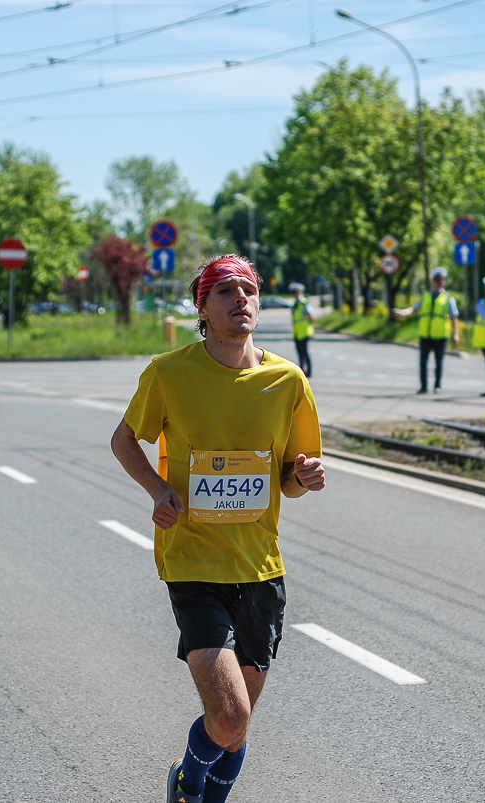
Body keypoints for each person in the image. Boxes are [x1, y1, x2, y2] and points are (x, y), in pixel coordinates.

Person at [110, 254, 325, 803]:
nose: (240, 300)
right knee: (227, 716)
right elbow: (124, 440)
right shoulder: (169, 373)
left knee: (240, 719)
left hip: (259, 568)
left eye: (248, 290)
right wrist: (159, 491)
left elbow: (290, 482)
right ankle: (186, 781)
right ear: (202, 307)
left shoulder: (287, 381)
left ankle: (201, 795)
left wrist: (303, 476)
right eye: (225, 291)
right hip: (193, 562)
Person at [394, 267, 460, 394]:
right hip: (425, 334)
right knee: (423, 362)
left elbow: (454, 317)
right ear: (432, 281)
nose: (439, 282)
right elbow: (414, 310)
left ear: (444, 281)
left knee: (438, 362)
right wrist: (401, 313)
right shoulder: (425, 296)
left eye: (441, 279)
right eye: (436, 279)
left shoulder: (448, 298)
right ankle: (423, 386)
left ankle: (437, 386)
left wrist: (455, 334)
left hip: (440, 335)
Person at [289, 282, 314, 377]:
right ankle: (303, 370)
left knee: (304, 352)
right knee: (300, 352)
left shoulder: (303, 302)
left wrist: (312, 326)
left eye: (296, 292)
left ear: (300, 292)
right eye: (293, 292)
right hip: (297, 332)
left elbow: (310, 315)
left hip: (305, 331)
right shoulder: (295, 304)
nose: (294, 294)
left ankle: (308, 371)